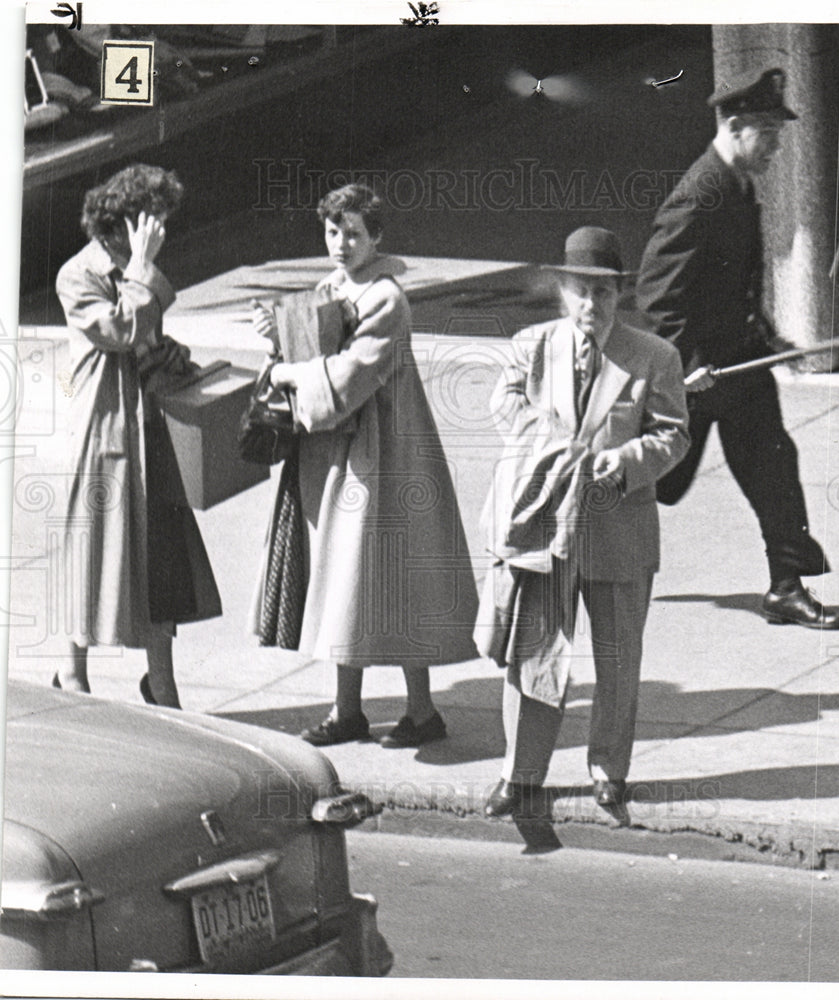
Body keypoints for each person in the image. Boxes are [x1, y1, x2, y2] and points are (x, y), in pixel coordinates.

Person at [251, 184, 479, 749]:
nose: (341, 242)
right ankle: (346, 709)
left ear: (377, 237)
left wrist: (285, 373)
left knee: (396, 578)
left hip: (389, 456)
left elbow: (350, 379)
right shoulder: (328, 289)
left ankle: (423, 711)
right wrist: (276, 341)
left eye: (353, 232)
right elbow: (309, 358)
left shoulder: (386, 298)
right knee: (342, 581)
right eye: (333, 231)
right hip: (340, 455)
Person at [474, 226, 689, 815]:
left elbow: (674, 435)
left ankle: (608, 770)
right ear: (562, 292)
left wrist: (623, 463)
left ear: (621, 296)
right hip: (546, 528)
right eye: (580, 291)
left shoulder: (655, 356)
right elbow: (504, 404)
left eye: (604, 292)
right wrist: (557, 447)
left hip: (619, 530)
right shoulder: (530, 346)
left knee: (618, 661)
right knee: (534, 653)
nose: (592, 305)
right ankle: (520, 776)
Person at [635, 67, 839, 631]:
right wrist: (684, 366)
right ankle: (579, 549)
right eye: (768, 133)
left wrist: (772, 341)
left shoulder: (738, 184)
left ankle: (786, 586)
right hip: (699, 375)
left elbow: (735, 288)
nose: (778, 145)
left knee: (774, 463)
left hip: (738, 367)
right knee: (651, 479)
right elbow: (657, 294)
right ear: (733, 126)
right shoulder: (699, 195)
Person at [55, 164, 222, 707]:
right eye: (155, 222)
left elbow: (149, 341)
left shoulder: (134, 267)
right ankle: (72, 674)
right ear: (125, 221)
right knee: (94, 555)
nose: (162, 233)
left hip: (148, 432)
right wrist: (145, 265)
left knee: (161, 563)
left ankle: (162, 682)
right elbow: (120, 332)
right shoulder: (79, 274)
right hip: (104, 433)